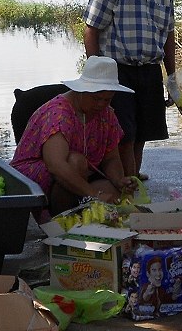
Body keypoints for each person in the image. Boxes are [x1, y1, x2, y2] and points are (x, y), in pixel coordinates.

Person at [83, 0, 177, 180]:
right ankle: (127, 179)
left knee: (144, 131)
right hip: (117, 70)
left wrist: (171, 76)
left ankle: (132, 175)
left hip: (149, 69)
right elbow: (91, 30)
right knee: (123, 132)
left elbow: (168, 31)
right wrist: (97, 76)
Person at [11, 56, 138, 216]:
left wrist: (119, 181)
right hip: (35, 178)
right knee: (75, 162)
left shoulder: (107, 114)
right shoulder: (59, 113)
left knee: (116, 194)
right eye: (96, 98)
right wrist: (94, 195)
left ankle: (84, 213)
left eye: (107, 99)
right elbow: (56, 165)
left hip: (82, 176)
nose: (101, 105)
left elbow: (111, 158)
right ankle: (61, 219)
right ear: (82, 90)